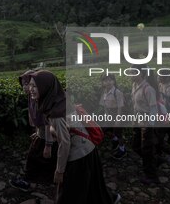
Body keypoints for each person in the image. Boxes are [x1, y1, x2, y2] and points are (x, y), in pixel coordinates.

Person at [29, 70, 120, 204]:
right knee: (92, 186)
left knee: (68, 193)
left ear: (45, 87)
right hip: (88, 150)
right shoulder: (58, 99)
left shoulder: (56, 113)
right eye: (30, 85)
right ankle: (111, 199)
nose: (31, 89)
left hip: (78, 156)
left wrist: (59, 171)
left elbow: (65, 143)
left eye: (35, 86)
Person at [10, 70, 57, 191]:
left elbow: (47, 123)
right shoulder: (32, 97)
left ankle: (28, 181)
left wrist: (48, 144)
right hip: (41, 134)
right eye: (24, 84)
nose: (26, 87)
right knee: (44, 158)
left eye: (29, 84)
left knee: (35, 157)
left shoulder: (41, 99)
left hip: (48, 136)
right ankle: (47, 180)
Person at [130, 64, 160, 184]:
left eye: (132, 72)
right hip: (138, 119)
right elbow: (135, 106)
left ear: (141, 74)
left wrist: (148, 125)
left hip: (147, 121)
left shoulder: (148, 89)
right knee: (136, 146)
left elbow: (153, 109)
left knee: (146, 149)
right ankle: (155, 161)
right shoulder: (134, 85)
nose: (130, 75)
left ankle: (152, 177)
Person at [99, 74, 126, 159]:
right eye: (105, 80)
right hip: (109, 115)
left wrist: (118, 119)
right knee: (105, 130)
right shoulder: (104, 92)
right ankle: (115, 140)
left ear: (114, 81)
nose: (108, 82)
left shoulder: (117, 92)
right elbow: (104, 106)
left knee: (118, 133)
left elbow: (120, 107)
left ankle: (122, 149)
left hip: (117, 114)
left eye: (110, 80)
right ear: (102, 83)